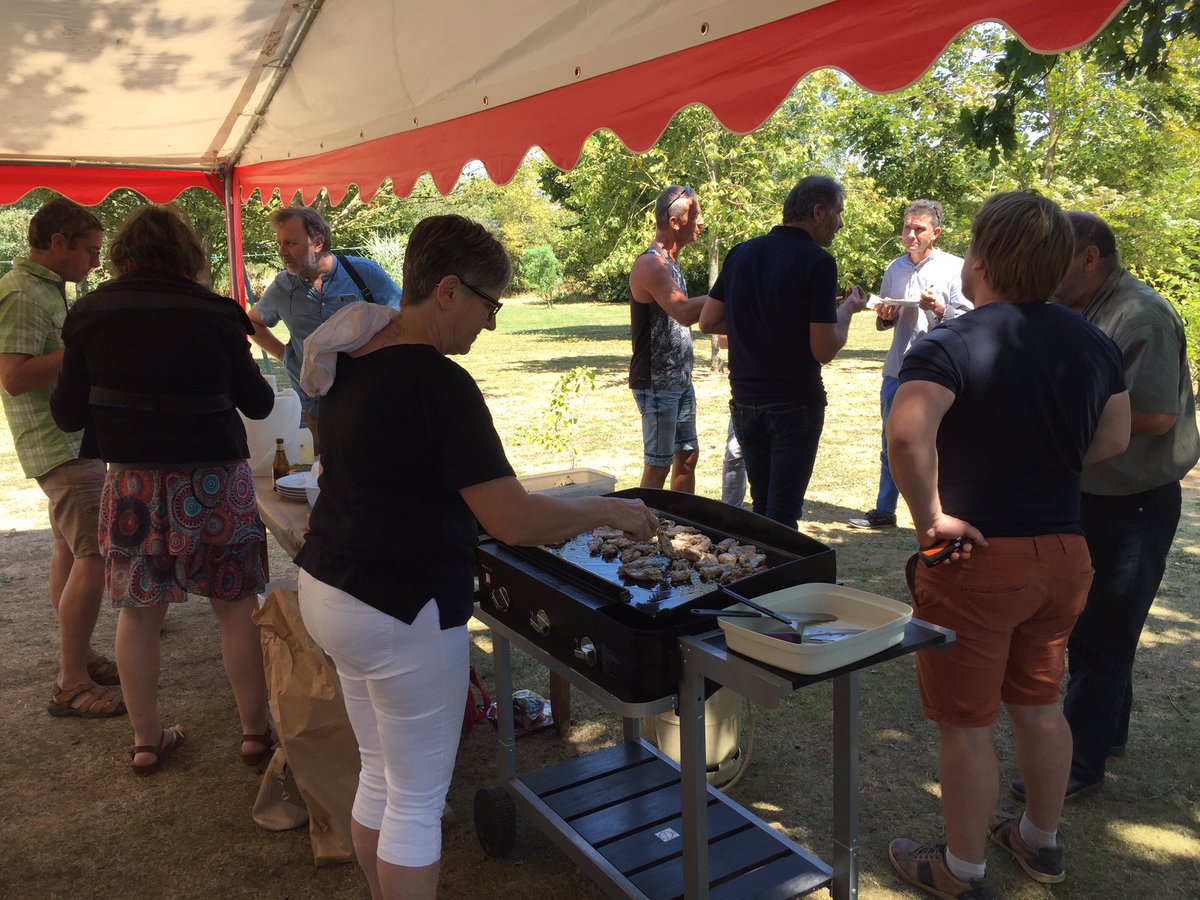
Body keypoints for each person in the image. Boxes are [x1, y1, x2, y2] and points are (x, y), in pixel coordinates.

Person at [294, 214, 658, 900]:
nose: (490, 325)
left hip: (330, 589)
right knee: (415, 803)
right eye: (491, 304)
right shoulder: (439, 384)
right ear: (450, 291)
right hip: (399, 608)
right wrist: (611, 509)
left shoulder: (352, 355)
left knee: (379, 774)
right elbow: (513, 519)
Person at [885, 191, 1131, 898]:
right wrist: (1043, 461)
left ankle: (960, 872)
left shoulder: (950, 342)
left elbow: (907, 433)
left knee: (966, 723)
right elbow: (1112, 438)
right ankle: (1039, 841)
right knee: (1040, 703)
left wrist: (928, 515)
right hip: (1064, 554)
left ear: (982, 259)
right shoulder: (1093, 342)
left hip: (979, 560)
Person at [50, 205, 276, 775]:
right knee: (235, 607)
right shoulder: (218, 313)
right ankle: (254, 734)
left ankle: (146, 742)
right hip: (215, 483)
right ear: (187, 257)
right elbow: (261, 403)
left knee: (139, 614)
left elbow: (67, 412)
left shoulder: (90, 313)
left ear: (124, 257)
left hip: (133, 486)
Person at [1013, 211, 1199, 801]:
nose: (1047, 271)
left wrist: (1054, 427)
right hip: (1094, 491)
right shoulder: (1083, 308)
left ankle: (1079, 763)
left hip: (1133, 502)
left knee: (1103, 631)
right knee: (1097, 627)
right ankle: (1107, 731)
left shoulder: (1140, 314)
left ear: (1089, 256)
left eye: (1058, 257)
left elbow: (1155, 415)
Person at [0, 197, 126, 720]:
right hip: (61, 444)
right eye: (91, 251)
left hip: (68, 440)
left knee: (69, 552)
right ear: (58, 243)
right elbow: (14, 374)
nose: (95, 263)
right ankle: (70, 681)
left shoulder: (45, 289)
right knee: (95, 554)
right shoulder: (22, 293)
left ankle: (82, 657)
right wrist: (88, 348)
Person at [699, 175, 869, 527]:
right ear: (818, 211)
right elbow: (823, 349)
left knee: (762, 507)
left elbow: (708, 320)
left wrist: (759, 320)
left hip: (745, 402)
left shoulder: (741, 253)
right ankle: (778, 580)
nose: (840, 224)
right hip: (794, 405)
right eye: (839, 213)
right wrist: (849, 310)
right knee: (782, 516)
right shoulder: (819, 262)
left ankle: (758, 576)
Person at [849, 199, 969, 530]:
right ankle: (884, 510)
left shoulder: (954, 268)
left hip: (940, 372)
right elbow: (885, 324)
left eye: (919, 229)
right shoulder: (894, 269)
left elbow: (969, 320)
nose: (911, 234)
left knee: (941, 443)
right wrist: (886, 316)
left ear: (936, 232)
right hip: (898, 369)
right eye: (906, 227)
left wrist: (940, 309)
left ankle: (944, 511)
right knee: (892, 440)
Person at [247, 205, 402, 449]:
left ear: (317, 243)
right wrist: (284, 354)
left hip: (369, 402)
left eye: (290, 243)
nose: (281, 252)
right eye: (279, 243)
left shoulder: (364, 274)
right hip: (316, 408)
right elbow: (252, 321)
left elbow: (402, 320)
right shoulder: (282, 287)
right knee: (323, 476)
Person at [628, 184, 709, 492]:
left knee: (687, 456)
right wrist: (728, 291)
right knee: (658, 463)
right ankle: (639, 536)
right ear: (675, 222)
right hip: (656, 381)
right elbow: (685, 313)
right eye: (696, 215)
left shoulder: (672, 262)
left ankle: (681, 526)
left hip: (679, 380)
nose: (700, 222)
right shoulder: (651, 263)